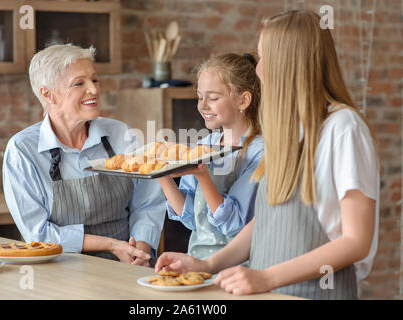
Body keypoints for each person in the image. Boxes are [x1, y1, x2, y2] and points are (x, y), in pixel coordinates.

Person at [155, 10, 380, 300]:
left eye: (262, 58)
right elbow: (267, 221)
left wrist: (266, 277)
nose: (258, 70)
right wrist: (208, 264)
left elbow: (356, 241)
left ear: (287, 62)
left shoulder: (343, 127)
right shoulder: (290, 131)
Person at [3, 44, 166, 266]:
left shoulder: (121, 134)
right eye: (79, 83)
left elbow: (147, 203)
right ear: (48, 94)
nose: (94, 89)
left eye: (95, 80)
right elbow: (38, 234)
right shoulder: (23, 150)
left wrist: (141, 252)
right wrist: (110, 245)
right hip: (59, 270)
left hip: (125, 266)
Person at [158, 53, 264, 260]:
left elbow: (234, 226)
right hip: (197, 260)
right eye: (200, 96)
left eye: (213, 98)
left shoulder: (259, 152)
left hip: (239, 268)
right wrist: (160, 173)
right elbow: (190, 218)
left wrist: (202, 176)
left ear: (243, 100)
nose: (203, 105)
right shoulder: (204, 146)